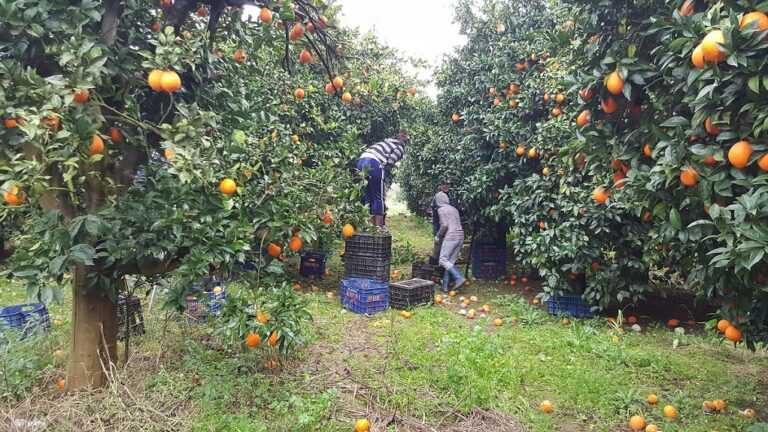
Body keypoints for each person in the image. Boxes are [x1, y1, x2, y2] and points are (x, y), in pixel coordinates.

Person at [356, 131, 408, 226]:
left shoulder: (386, 142)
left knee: (368, 196)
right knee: (378, 196)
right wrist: (384, 181)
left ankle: (368, 227)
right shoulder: (400, 147)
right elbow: (389, 163)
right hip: (373, 163)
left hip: (361, 161)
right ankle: (378, 229)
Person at [434, 192, 465, 292]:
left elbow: (445, 225)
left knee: (442, 260)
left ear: (438, 200)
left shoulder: (441, 209)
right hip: (460, 235)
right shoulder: (454, 209)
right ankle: (445, 287)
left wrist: (438, 236)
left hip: (451, 236)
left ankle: (459, 277)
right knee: (450, 262)